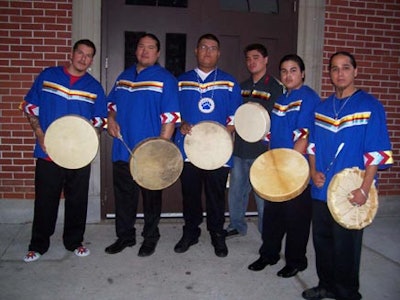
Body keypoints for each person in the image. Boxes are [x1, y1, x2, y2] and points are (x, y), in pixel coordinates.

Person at [302, 51, 393, 300]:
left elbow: (376, 152)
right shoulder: (322, 108)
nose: (339, 73)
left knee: (347, 248)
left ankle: (347, 293)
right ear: (329, 73)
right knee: (322, 242)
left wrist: (365, 188)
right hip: (321, 189)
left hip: (352, 191)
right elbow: (312, 146)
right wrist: (313, 171)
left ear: (355, 71)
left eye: (345, 68)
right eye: (334, 68)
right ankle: (326, 285)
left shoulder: (370, 106)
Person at [20, 39, 108, 262]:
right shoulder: (48, 76)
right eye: (80, 53)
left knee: (77, 200)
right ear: (72, 54)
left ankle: (74, 241)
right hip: (48, 152)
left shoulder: (94, 87)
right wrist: (40, 134)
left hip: (79, 156)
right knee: (45, 201)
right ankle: (38, 244)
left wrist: (89, 140)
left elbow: (99, 120)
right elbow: (31, 107)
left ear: (91, 60)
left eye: (88, 56)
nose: (83, 58)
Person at [105, 33, 180, 257]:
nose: (144, 51)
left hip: (150, 152)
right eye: (141, 46)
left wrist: (160, 152)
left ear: (157, 53)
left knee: (151, 199)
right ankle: (125, 236)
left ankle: (150, 237)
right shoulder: (123, 77)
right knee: (124, 197)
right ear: (136, 50)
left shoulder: (165, 79)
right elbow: (112, 105)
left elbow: (170, 117)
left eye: (150, 47)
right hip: (123, 148)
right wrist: (110, 118)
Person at [248, 54, 320, 278]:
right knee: (272, 217)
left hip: (295, 171)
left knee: (296, 220)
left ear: (303, 73)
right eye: (284, 71)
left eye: (293, 70)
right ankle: (268, 254)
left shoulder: (308, 98)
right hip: (276, 168)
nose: (288, 75)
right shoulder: (280, 99)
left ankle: (297, 261)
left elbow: (304, 137)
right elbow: (272, 134)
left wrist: (287, 168)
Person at [173, 33, 242, 257]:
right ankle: (191, 232)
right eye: (203, 47)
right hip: (189, 149)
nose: (208, 52)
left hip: (218, 152)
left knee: (216, 195)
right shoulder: (182, 81)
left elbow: (235, 118)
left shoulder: (229, 82)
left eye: (213, 48)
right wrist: (181, 125)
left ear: (219, 53)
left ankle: (216, 233)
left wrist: (220, 136)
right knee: (190, 194)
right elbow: (174, 114)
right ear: (196, 50)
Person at [225, 43, 283, 237]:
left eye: (256, 57)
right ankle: (236, 225)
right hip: (240, 149)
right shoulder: (242, 87)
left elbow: (278, 120)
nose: (251, 62)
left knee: (262, 195)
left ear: (266, 60)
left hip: (262, 151)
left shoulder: (276, 88)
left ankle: (266, 232)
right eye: (248, 58)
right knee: (236, 191)